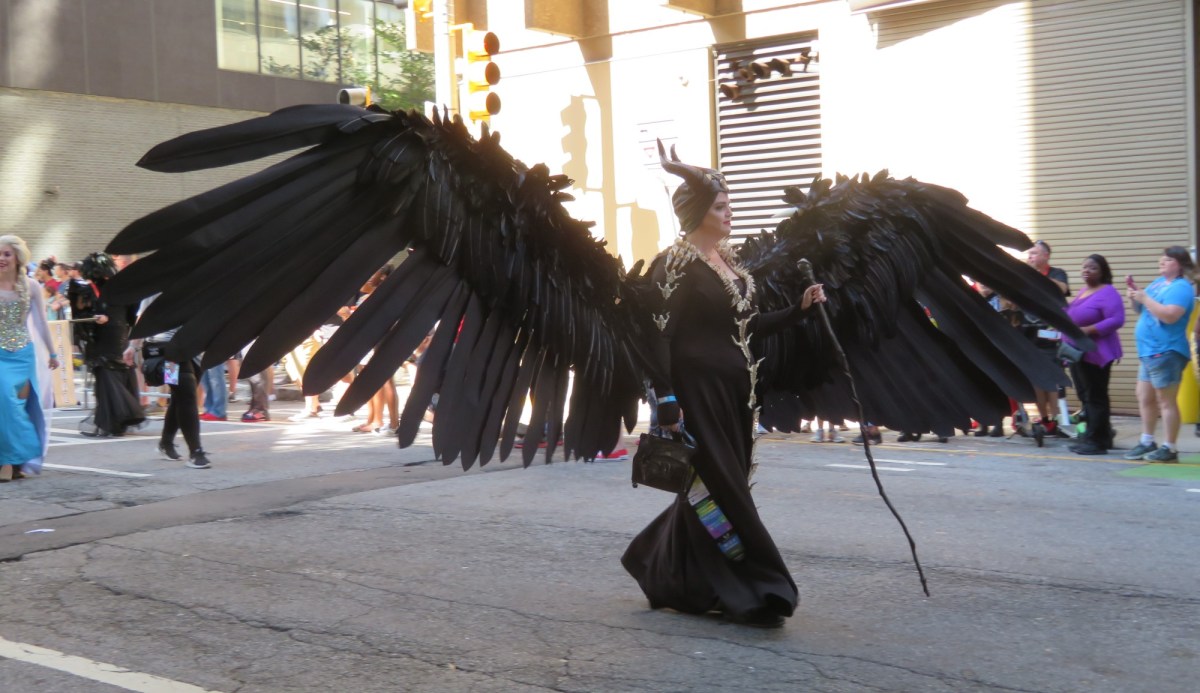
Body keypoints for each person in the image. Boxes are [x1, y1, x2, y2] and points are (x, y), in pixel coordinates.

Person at [620, 151, 825, 628]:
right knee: (724, 488)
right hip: (698, 393)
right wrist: (666, 399)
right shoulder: (674, 264)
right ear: (696, 212)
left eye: (729, 205)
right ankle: (763, 585)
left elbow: (747, 325)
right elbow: (658, 335)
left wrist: (799, 310)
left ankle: (660, 565)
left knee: (712, 488)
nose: (728, 213)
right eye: (719, 207)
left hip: (736, 394)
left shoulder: (727, 264)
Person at [1123, 246, 1196, 463]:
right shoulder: (1157, 284)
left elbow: (1171, 316)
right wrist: (1135, 298)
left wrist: (1145, 299)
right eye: (1161, 259)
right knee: (1144, 396)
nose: (1161, 262)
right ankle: (1147, 441)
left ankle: (1170, 447)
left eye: (1168, 259)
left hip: (1167, 351)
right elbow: (1142, 310)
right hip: (1149, 351)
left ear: (1179, 265)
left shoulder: (1182, 287)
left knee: (1166, 401)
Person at [0, 235, 60, 481]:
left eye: (6, 254)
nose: (1, 259)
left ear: (17, 257)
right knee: (4, 401)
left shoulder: (31, 286)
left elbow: (41, 322)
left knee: (18, 407)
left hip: (23, 354)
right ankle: (7, 460)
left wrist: (53, 353)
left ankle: (17, 462)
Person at [127, 297, 211, 469]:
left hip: (195, 351)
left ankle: (166, 443)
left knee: (179, 397)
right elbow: (143, 317)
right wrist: (132, 347)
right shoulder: (159, 283)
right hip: (170, 351)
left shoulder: (200, 281)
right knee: (186, 395)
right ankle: (196, 451)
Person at [1063, 255, 1124, 455]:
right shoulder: (1083, 292)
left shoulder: (1108, 292)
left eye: (1093, 267)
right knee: (1085, 396)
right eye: (1084, 267)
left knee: (1095, 396)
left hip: (1096, 352)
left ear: (1102, 272)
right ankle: (1100, 435)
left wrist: (1090, 329)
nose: (1087, 270)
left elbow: (1117, 319)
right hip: (1078, 353)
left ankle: (1096, 441)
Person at [78, 252, 145, 437]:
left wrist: (96, 319)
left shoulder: (97, 289)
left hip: (109, 338)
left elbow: (83, 314)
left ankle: (116, 420)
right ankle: (114, 422)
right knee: (113, 376)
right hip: (117, 335)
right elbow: (132, 314)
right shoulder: (120, 287)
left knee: (108, 377)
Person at [1023, 240, 1071, 438]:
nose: (1030, 257)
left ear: (1046, 256)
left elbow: (1062, 288)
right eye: (1029, 254)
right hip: (1028, 334)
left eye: (1034, 253)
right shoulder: (1024, 276)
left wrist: (1037, 276)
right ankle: (1044, 419)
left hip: (1050, 335)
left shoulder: (1056, 274)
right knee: (1036, 380)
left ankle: (1056, 419)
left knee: (1052, 379)